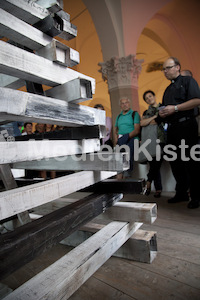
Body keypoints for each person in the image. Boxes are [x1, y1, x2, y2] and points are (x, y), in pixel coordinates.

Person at [159, 56, 200, 208]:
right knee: (175, 162)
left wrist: (175, 108)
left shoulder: (188, 81)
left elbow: (197, 100)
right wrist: (162, 113)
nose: (165, 71)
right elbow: (164, 108)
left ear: (177, 67)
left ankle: (196, 196)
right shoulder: (168, 89)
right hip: (172, 128)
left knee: (191, 161)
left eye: (168, 68)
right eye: (163, 69)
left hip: (187, 125)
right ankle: (181, 193)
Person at [141, 90, 166, 198]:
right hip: (150, 140)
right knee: (154, 164)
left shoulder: (163, 108)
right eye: (147, 98)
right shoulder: (146, 112)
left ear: (154, 96)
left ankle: (148, 182)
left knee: (156, 162)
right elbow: (142, 123)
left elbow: (163, 121)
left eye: (150, 96)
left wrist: (151, 121)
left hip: (163, 138)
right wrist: (155, 117)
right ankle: (158, 189)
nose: (149, 99)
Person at [114, 97, 140, 179]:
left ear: (129, 104)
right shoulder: (118, 116)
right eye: (122, 103)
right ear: (120, 106)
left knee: (127, 156)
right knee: (117, 158)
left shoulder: (134, 114)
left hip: (132, 138)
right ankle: (119, 179)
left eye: (126, 102)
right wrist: (116, 140)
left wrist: (125, 138)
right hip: (121, 139)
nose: (125, 105)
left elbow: (137, 130)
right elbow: (115, 130)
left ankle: (127, 177)